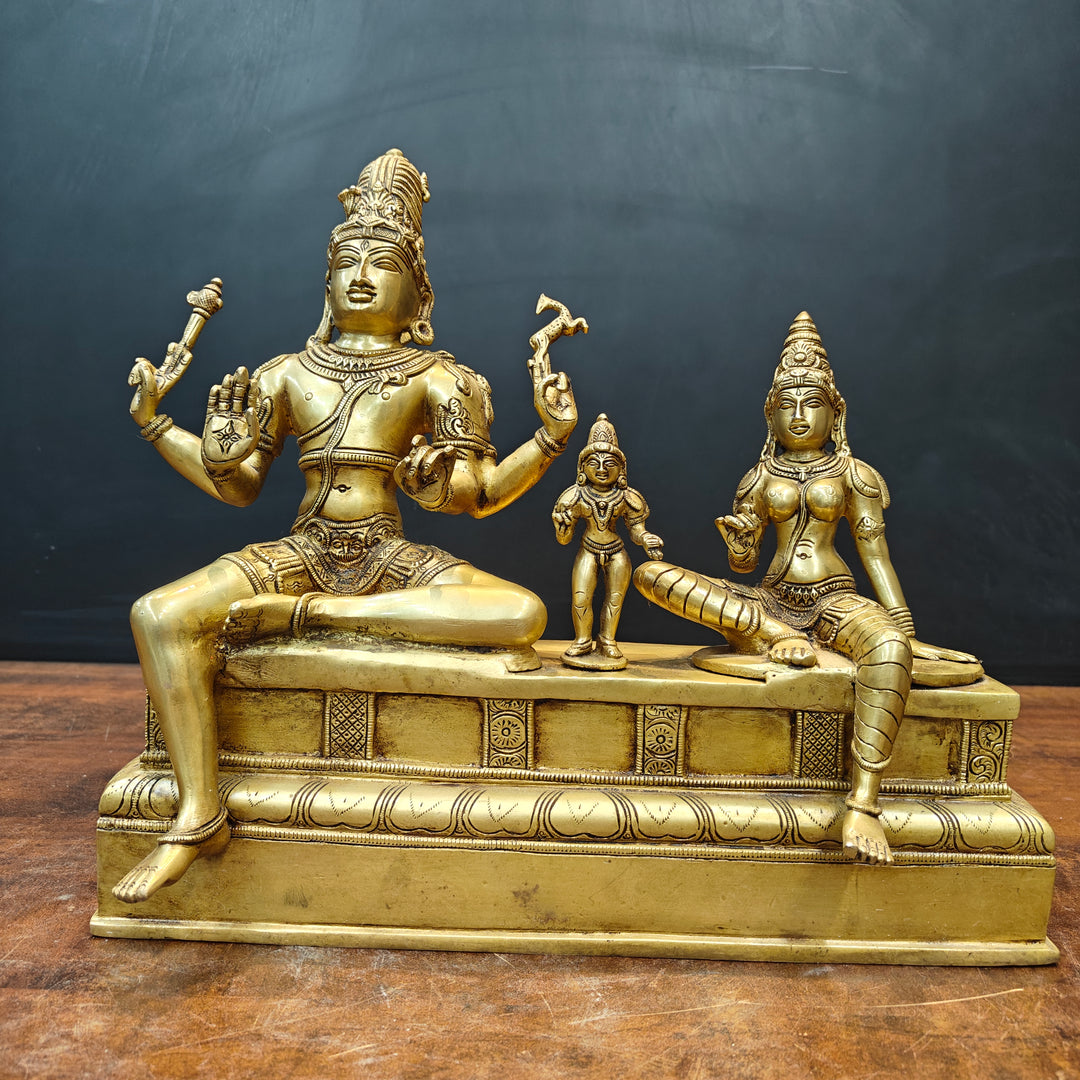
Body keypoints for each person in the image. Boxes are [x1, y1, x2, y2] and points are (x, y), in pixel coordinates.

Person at [119, 149, 579, 902]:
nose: (361, 275)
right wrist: (164, 428)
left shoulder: (441, 378)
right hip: (302, 550)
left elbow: (477, 495)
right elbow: (237, 487)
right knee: (158, 615)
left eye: (383, 263)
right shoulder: (284, 373)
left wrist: (547, 440)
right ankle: (200, 811)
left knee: (521, 613)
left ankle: (315, 618)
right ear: (327, 283)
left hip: (387, 557)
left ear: (418, 293)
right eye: (347, 262)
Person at [634, 312, 978, 865]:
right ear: (770, 415)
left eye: (811, 403)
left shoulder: (854, 474)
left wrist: (905, 632)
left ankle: (862, 802)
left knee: (889, 649)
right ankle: (775, 638)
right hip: (769, 602)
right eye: (787, 404)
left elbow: (876, 557)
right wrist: (740, 545)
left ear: (835, 413)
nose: (798, 415)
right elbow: (745, 564)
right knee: (652, 575)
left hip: (834, 601)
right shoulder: (758, 476)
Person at [552, 414, 663, 669]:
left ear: (621, 469)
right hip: (588, 549)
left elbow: (636, 529)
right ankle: (582, 640)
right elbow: (564, 539)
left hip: (617, 552)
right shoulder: (574, 496)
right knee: (581, 597)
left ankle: (607, 641)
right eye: (594, 463)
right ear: (582, 468)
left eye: (609, 463)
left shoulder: (627, 497)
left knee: (615, 599)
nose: (601, 469)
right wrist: (562, 528)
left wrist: (645, 538)